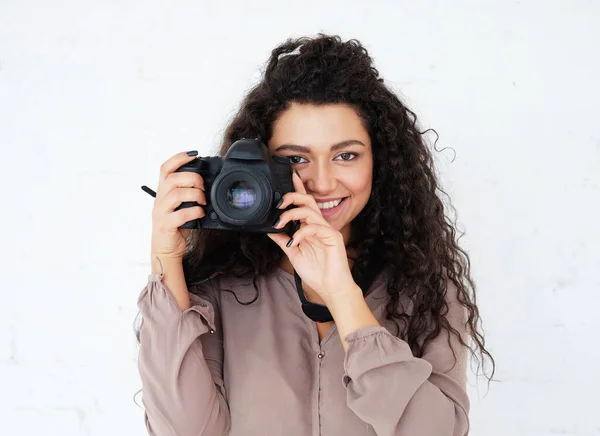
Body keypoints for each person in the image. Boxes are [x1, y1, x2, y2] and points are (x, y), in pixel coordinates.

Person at [135, 34, 495, 436]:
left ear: (381, 162)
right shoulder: (220, 287)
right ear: (259, 166)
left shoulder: (422, 286)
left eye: (346, 155)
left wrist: (343, 296)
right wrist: (166, 261)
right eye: (295, 159)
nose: (322, 183)